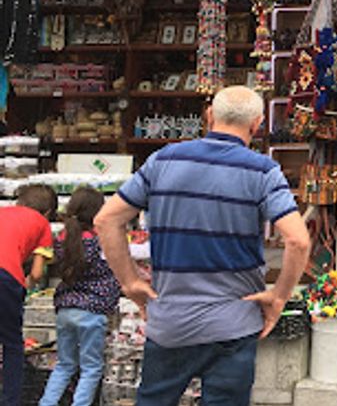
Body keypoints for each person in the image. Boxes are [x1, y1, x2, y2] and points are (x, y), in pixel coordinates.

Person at [95, 86, 310, 406]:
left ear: (209, 116)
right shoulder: (263, 171)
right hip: (234, 326)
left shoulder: (162, 160)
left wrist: (130, 282)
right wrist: (278, 297)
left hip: (170, 323)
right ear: (257, 124)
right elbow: (297, 239)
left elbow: (105, 220)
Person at [40, 186, 120, 406]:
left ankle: (46, 403)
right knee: (91, 368)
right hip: (92, 313)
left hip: (65, 309)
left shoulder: (63, 239)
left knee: (64, 365)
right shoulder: (100, 241)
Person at [0, 183, 58, 406]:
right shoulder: (42, 224)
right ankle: (10, 401)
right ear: (47, 213)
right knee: (12, 345)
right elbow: (35, 272)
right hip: (6, 278)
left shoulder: (3, 212)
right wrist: (25, 284)